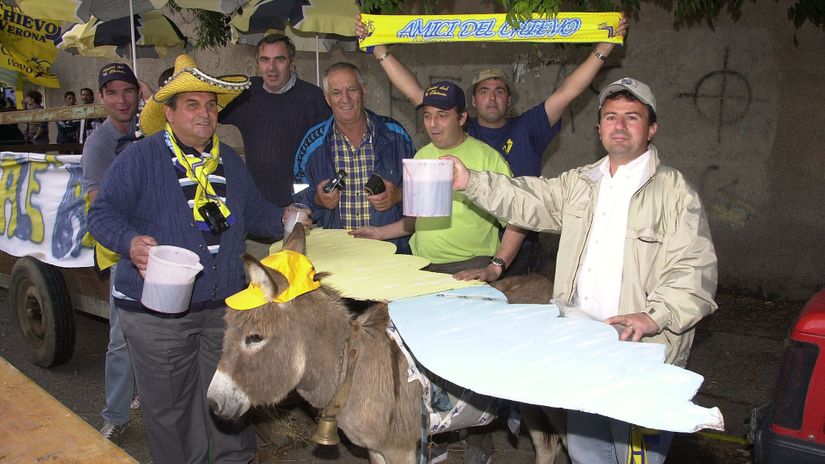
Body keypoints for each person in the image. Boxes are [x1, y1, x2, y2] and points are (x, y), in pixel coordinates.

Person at [448, 77, 719, 464]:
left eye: (632, 117)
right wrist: (470, 181)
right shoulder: (581, 184)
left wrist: (655, 316)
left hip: (640, 357)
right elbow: (528, 199)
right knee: (586, 452)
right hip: (582, 350)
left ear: (652, 128)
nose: (620, 126)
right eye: (611, 117)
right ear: (599, 128)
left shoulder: (676, 193)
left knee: (634, 458)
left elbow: (695, 271)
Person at [87, 54, 305, 464]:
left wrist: (287, 217)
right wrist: (131, 242)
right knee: (172, 410)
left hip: (220, 310)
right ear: (167, 113)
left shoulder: (229, 162)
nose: (205, 113)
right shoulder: (140, 158)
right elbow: (101, 214)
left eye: (210, 105)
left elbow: (255, 213)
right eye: (192, 105)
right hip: (158, 314)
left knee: (228, 399)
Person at [355, 16, 627, 275]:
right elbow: (417, 92)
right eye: (484, 91)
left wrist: (604, 48)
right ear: (471, 104)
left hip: (516, 247)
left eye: (499, 91)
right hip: (454, 257)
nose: (492, 98)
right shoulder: (450, 132)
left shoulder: (528, 128)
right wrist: (378, 48)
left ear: (509, 99)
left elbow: (569, 91)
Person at [81, 62, 145, 441]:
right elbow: (97, 205)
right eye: (113, 92)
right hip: (126, 252)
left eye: (129, 91)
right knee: (121, 337)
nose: (122, 100)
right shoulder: (99, 144)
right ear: (102, 97)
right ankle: (117, 415)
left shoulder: (151, 129)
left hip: (164, 249)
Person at [294, 62, 415, 253]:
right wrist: (318, 199)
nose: (345, 99)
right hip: (336, 254)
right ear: (327, 98)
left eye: (352, 89)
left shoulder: (396, 135)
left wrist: (398, 195)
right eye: (336, 92)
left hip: (391, 252)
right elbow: (296, 199)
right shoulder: (312, 144)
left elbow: (422, 192)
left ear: (364, 91)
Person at [220, 33, 331, 207]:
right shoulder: (247, 94)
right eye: (265, 60)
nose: (271, 68)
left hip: (300, 204)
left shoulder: (313, 98)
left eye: (279, 60)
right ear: (258, 64)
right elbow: (210, 104)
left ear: (292, 62)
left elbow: (329, 150)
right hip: (257, 206)